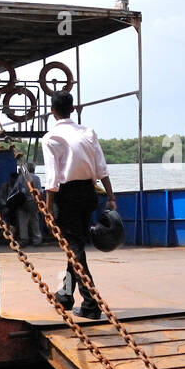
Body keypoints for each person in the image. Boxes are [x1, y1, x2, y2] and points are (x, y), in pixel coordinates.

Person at [40, 90, 116, 319]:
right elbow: (102, 168)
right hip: (88, 194)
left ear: (52, 112)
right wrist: (111, 197)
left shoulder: (51, 138)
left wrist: (47, 208)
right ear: (72, 109)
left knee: (74, 248)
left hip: (68, 196)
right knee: (76, 246)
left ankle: (91, 303)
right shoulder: (88, 133)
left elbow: (52, 179)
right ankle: (65, 295)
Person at [18, 161, 44, 246]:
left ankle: (24, 239)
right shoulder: (36, 178)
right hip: (33, 201)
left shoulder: (21, 178)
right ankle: (37, 239)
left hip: (23, 201)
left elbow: (17, 190)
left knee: (23, 221)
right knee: (35, 220)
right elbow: (40, 191)